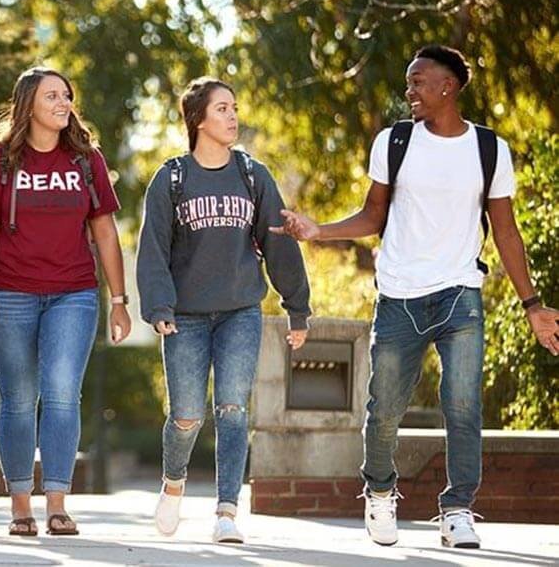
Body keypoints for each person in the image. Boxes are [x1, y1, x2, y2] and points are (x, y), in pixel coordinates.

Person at [277, 45, 559, 549]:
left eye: (418, 82)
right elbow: (372, 217)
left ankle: (457, 510)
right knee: (384, 406)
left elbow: (507, 232)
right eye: (408, 82)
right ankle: (381, 491)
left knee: (464, 405)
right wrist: (318, 231)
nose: (409, 91)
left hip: (460, 294)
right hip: (400, 294)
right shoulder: (395, 141)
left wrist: (532, 304)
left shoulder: (489, 149)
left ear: (448, 86)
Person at [136, 76, 311, 543]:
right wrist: (158, 306)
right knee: (187, 414)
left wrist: (297, 308)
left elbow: (278, 243)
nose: (233, 116)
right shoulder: (171, 178)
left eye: (234, 107)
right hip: (185, 317)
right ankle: (174, 482)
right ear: (198, 119)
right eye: (222, 109)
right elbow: (152, 248)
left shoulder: (253, 175)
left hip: (240, 312)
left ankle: (227, 511)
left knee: (233, 409)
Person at [0, 67, 130, 536]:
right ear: (28, 103)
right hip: (9, 296)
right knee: (17, 399)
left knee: (60, 395)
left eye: (67, 95)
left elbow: (105, 234)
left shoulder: (85, 160)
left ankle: (56, 503)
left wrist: (119, 299)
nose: (63, 102)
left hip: (72, 293)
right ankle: (19, 505)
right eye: (52, 95)